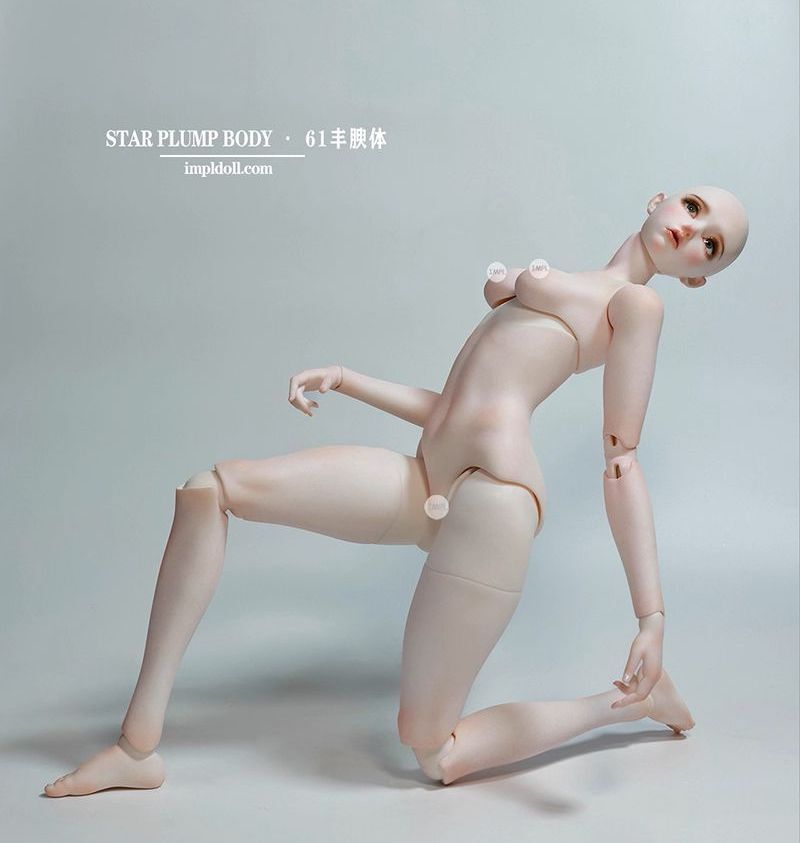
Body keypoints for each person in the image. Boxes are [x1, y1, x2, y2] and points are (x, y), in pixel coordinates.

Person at [44, 186, 749, 796]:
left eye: (711, 246)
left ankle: (630, 703)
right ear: (659, 199)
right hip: (425, 477)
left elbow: (621, 460)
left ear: (697, 278)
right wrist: (348, 378)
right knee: (211, 489)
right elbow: (456, 407)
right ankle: (138, 745)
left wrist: (650, 617)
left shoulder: (635, 306)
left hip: (494, 498)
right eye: (693, 209)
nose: (692, 232)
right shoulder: (579, 286)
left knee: (433, 750)